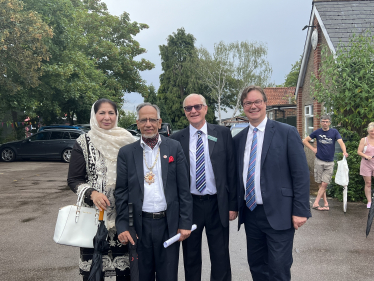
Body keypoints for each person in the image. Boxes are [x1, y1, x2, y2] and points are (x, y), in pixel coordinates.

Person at [233, 85, 311, 281]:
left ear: (265, 104)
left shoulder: (287, 132)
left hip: (280, 212)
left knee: (278, 268)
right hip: (251, 213)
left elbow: (300, 174)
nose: (253, 106)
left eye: (257, 101)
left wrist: (300, 209)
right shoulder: (239, 139)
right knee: (257, 266)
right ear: (243, 107)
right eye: (248, 103)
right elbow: (237, 177)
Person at [114, 103, 193, 281]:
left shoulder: (174, 147)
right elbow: (121, 192)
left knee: (168, 276)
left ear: (159, 122)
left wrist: (185, 222)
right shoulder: (126, 152)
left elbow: (184, 189)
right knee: (141, 276)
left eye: (152, 119)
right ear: (137, 123)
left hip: (168, 224)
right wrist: (123, 225)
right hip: (139, 225)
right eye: (144, 120)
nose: (148, 123)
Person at [170, 94, 237, 281]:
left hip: (217, 204)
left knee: (220, 255)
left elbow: (231, 171)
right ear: (184, 112)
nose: (193, 111)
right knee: (190, 256)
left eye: (197, 106)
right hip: (190, 206)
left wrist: (233, 205)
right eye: (188, 108)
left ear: (206, 108)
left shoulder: (222, 133)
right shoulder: (177, 139)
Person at [67, 98, 136, 281]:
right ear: (94, 115)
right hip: (95, 218)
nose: (107, 117)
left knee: (126, 273)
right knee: (95, 272)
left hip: (125, 216)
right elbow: (74, 179)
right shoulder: (84, 142)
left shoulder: (129, 141)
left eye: (111, 113)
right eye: (102, 113)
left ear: (116, 115)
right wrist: (92, 193)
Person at [303, 115, 348, 211]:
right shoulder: (317, 132)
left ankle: (316, 203)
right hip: (319, 161)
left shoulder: (334, 132)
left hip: (330, 162)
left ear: (330, 123)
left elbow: (341, 142)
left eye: (327, 121)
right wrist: (313, 149)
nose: (325, 123)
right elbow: (305, 141)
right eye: (323, 121)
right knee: (320, 184)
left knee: (324, 184)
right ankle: (326, 202)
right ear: (320, 122)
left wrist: (344, 151)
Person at [357, 122, 374, 208]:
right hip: (366, 163)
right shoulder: (364, 140)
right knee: (368, 183)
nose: (373, 132)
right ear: (368, 131)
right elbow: (359, 152)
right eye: (371, 131)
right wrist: (366, 156)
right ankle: (369, 202)